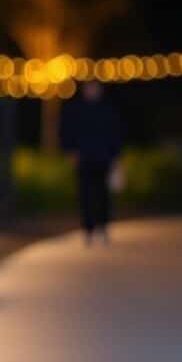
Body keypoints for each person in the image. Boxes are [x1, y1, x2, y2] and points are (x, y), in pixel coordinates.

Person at [60, 81, 123, 245]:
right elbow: (68, 131)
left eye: (94, 88)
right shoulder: (76, 109)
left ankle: (103, 226)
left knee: (103, 195)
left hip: (103, 158)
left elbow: (116, 133)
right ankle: (88, 229)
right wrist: (70, 151)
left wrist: (116, 156)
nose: (92, 91)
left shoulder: (108, 109)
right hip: (84, 159)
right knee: (85, 195)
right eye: (89, 88)